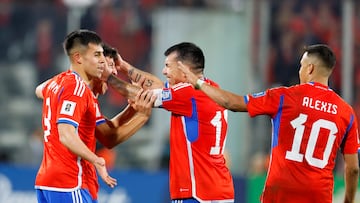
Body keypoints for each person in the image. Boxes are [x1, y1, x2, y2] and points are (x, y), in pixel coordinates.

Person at [180, 44, 359, 203]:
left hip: (280, 194)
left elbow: (231, 103)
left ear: (310, 69)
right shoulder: (346, 113)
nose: (300, 71)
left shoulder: (284, 97)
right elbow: (353, 169)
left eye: (301, 66)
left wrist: (198, 83)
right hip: (318, 196)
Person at [34, 30, 155, 203]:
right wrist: (97, 160)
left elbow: (107, 135)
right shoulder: (77, 89)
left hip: (50, 181)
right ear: (79, 58)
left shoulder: (73, 88)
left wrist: (133, 111)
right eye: (98, 56)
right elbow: (66, 134)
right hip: (69, 181)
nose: (110, 70)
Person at [116, 42, 235, 202]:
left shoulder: (188, 93)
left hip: (196, 192)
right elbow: (157, 86)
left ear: (183, 68)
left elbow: (142, 95)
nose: (164, 71)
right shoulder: (211, 88)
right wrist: (124, 66)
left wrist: (107, 77)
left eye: (168, 66)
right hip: (220, 189)